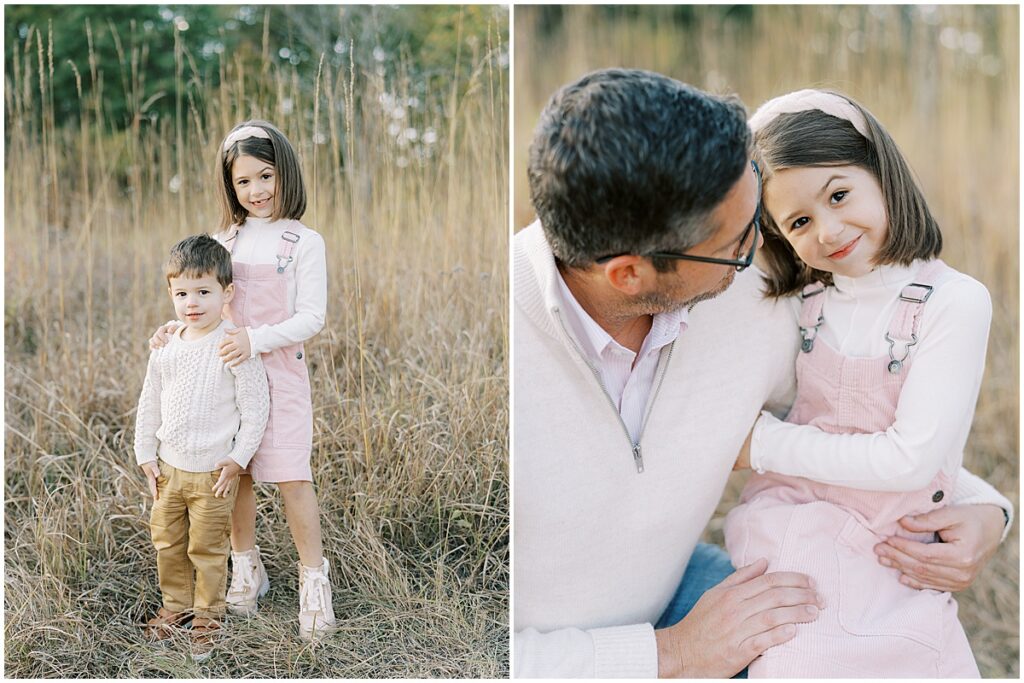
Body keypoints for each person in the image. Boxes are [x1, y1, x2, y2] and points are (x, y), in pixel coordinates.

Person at [513, 69, 1013, 678]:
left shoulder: (753, 291)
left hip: (678, 581)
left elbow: (861, 414)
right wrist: (669, 656)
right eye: (743, 241)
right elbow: (460, 654)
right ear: (629, 275)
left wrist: (987, 508)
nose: (768, 250)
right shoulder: (495, 366)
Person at [722, 89, 995, 677]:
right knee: (799, 656)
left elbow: (913, 461)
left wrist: (761, 445)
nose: (829, 230)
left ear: (881, 170)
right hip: (796, 524)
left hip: (892, 542)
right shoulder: (803, 301)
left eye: (839, 195)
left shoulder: (954, 302)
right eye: (799, 221)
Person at [150, 120, 335, 640]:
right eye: (244, 182)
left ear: (285, 173)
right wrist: (176, 326)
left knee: (293, 475)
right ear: (230, 187)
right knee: (238, 474)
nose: (257, 191)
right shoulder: (222, 239)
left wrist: (255, 339)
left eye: (266, 176)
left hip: (279, 372)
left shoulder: (302, 240)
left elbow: (312, 317)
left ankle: (313, 581)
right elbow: (200, 297)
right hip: (224, 378)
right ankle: (246, 568)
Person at [135, 234, 270, 661]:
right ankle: (176, 605)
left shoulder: (233, 344)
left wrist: (238, 459)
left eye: (204, 292)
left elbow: (256, 407)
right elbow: (149, 399)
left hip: (214, 473)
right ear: (171, 294)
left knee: (208, 547)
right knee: (168, 542)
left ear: (226, 293)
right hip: (169, 470)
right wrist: (144, 454)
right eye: (182, 293)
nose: (192, 303)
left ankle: (208, 616)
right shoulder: (167, 344)